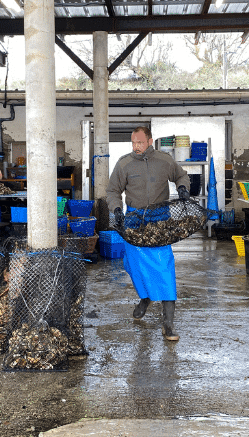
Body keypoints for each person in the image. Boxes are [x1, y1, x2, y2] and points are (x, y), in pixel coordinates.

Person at [106, 126, 191, 341]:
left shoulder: (164, 160)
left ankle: (168, 323)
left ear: (150, 141)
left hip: (159, 220)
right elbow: (113, 190)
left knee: (163, 266)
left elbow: (182, 175)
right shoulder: (124, 163)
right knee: (133, 265)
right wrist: (116, 208)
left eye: (140, 143)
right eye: (133, 143)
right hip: (133, 220)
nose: (136, 147)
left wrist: (182, 188)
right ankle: (145, 298)